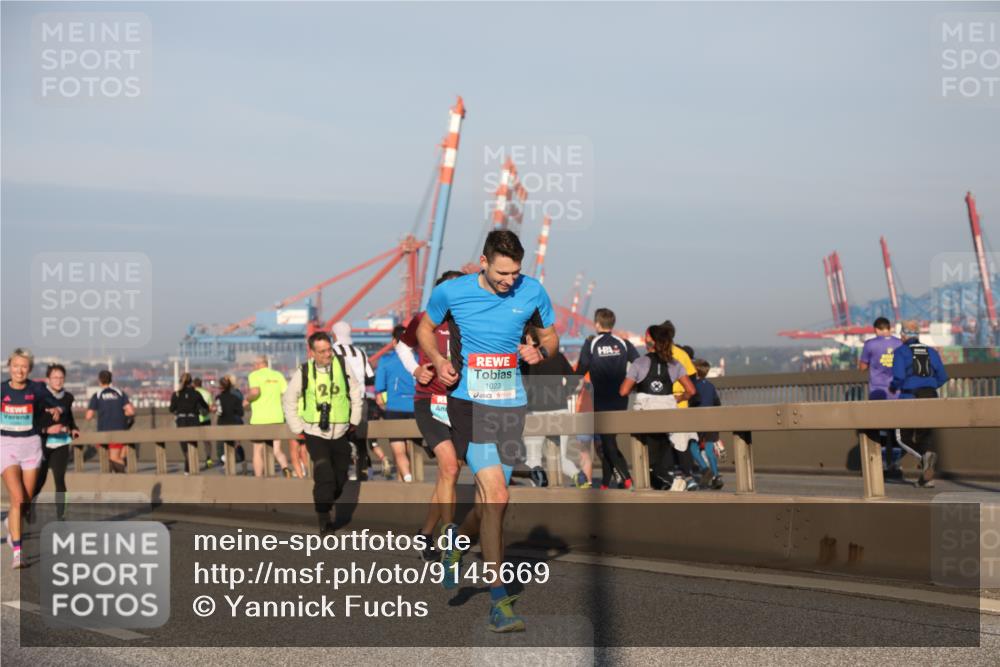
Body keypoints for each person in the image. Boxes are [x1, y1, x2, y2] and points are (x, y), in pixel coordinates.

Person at [418, 230, 558, 633]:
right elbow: (424, 329)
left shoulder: (532, 292)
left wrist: (540, 351)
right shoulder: (453, 292)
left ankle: (456, 546)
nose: (507, 281)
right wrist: (437, 358)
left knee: (488, 504)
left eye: (514, 273)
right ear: (483, 261)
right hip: (469, 402)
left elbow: (550, 337)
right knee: (497, 494)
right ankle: (499, 601)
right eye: (501, 273)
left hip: (511, 404)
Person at [399, 270, 464, 561]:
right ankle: (449, 535)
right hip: (430, 401)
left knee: (449, 472)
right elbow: (401, 346)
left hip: (461, 404)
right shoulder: (425, 318)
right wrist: (415, 369)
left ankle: (425, 534)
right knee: (449, 467)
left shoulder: (469, 320)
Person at [282, 331, 364, 532]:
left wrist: (355, 419)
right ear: (312, 353)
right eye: (322, 351)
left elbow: (355, 391)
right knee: (323, 471)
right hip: (314, 432)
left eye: (329, 350)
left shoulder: (342, 365)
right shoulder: (304, 372)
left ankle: (326, 499)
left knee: (341, 477)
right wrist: (297, 428)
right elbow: (289, 399)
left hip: (341, 430)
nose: (328, 354)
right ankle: (323, 516)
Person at [2, 348, 62, 569]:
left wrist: (54, 409)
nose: (20, 370)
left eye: (24, 366)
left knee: (25, 502)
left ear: (29, 369)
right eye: (16, 365)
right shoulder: (1, 390)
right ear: (10, 366)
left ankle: (11, 522)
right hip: (7, 446)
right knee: (17, 498)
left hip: (31, 447)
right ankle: (18, 551)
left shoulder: (35, 389)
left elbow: (50, 401)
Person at [620, 325, 698, 491]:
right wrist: (680, 397)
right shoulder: (674, 364)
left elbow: (623, 391)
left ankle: (665, 480)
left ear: (650, 341)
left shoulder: (639, 363)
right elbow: (691, 390)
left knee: (648, 456)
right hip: (667, 412)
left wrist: (637, 386)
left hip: (645, 415)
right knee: (663, 450)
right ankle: (671, 479)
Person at [575, 307, 638, 489]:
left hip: (601, 399)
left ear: (596, 324)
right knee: (609, 440)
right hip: (620, 398)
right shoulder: (623, 342)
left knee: (607, 442)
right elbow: (639, 363)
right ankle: (604, 483)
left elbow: (581, 369)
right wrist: (630, 383)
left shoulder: (592, 343)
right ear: (613, 323)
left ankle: (626, 478)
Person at [520, 326, 587, 488]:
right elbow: (574, 380)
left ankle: (539, 489)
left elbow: (522, 386)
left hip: (534, 412)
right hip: (560, 410)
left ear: (529, 338)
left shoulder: (525, 360)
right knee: (561, 457)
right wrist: (563, 394)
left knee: (533, 459)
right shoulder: (558, 357)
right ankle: (579, 476)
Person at [890, 320, 949, 488]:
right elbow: (943, 377)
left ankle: (924, 457)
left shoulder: (900, 352)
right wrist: (929, 386)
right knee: (925, 435)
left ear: (903, 335)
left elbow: (899, 377)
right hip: (931, 396)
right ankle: (927, 478)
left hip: (910, 397)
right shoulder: (931, 351)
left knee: (902, 437)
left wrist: (894, 387)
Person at [331, 321, 377, 480]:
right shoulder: (360, 352)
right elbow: (370, 378)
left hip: (340, 400)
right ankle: (363, 472)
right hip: (361, 400)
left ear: (334, 334)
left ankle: (343, 472)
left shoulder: (331, 351)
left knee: (339, 436)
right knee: (360, 437)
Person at [859, 317, 904, 476]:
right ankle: (897, 464)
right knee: (896, 428)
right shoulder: (899, 343)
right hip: (897, 392)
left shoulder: (870, 344)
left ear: (876, 329)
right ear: (889, 328)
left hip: (877, 391)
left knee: (881, 429)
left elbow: (862, 367)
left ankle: (883, 463)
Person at [36, 364, 81, 519]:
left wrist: (74, 428)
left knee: (60, 479)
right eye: (55, 377)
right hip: (42, 443)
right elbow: (33, 422)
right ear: (48, 379)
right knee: (39, 480)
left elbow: (69, 417)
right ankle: (28, 508)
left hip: (61, 442)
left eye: (61, 377)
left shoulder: (68, 397)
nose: (58, 380)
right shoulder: (39, 397)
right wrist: (46, 430)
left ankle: (61, 515)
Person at [375, 325, 416, 482]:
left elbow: (379, 391)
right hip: (415, 408)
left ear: (394, 341)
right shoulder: (418, 358)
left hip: (394, 409)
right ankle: (404, 480)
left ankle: (407, 478)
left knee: (399, 451)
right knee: (411, 450)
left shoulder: (386, 360)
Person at [245, 355, 293, 478]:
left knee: (258, 450)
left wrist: (247, 399)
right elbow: (286, 393)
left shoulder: (254, 375)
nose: (253, 367)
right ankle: (286, 469)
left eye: (254, 365)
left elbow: (255, 392)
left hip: (260, 419)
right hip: (277, 417)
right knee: (277, 449)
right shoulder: (278, 375)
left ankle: (259, 478)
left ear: (258, 364)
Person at [85, 370, 135, 474]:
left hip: (105, 431)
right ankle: (117, 480)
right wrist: (120, 414)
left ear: (99, 381)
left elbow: (88, 416)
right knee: (115, 457)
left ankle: (125, 480)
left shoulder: (97, 395)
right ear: (110, 380)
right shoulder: (119, 393)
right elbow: (130, 411)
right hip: (121, 429)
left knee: (113, 458)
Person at [689, 359, 723, 489]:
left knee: (693, 447)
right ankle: (716, 476)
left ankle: (704, 469)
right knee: (709, 449)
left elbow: (692, 401)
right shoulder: (710, 386)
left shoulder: (693, 385)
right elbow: (717, 403)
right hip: (712, 420)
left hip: (697, 419)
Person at [169, 373, 210, 474]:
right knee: (192, 445)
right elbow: (205, 406)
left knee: (185, 448)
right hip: (193, 420)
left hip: (181, 421)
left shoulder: (176, 394)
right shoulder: (196, 393)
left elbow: (171, 409)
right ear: (191, 382)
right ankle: (190, 468)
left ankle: (188, 469)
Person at [214, 375, 246, 471]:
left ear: (221, 387)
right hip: (234, 422)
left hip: (222, 424)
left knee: (222, 445)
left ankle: (226, 462)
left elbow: (219, 412)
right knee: (235, 444)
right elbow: (241, 412)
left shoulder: (218, 398)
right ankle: (240, 460)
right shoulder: (237, 395)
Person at [193, 377, 215, 467]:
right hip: (206, 419)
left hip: (195, 419)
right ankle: (209, 459)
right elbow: (211, 407)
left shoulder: (193, 393)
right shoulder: (207, 393)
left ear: (194, 384)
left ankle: (193, 460)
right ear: (201, 384)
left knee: (193, 441)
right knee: (207, 442)